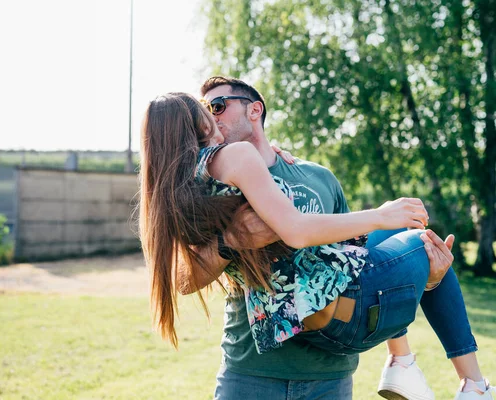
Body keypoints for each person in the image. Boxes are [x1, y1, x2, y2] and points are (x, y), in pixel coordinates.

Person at [138, 87, 493, 400]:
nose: (215, 116)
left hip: (314, 353)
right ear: (198, 124)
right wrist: (381, 214)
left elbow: (351, 250)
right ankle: (470, 385)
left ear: (254, 110)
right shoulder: (236, 160)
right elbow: (293, 230)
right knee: (420, 238)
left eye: (218, 105)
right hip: (267, 358)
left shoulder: (186, 191)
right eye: (207, 109)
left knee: (407, 245)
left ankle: (404, 361)